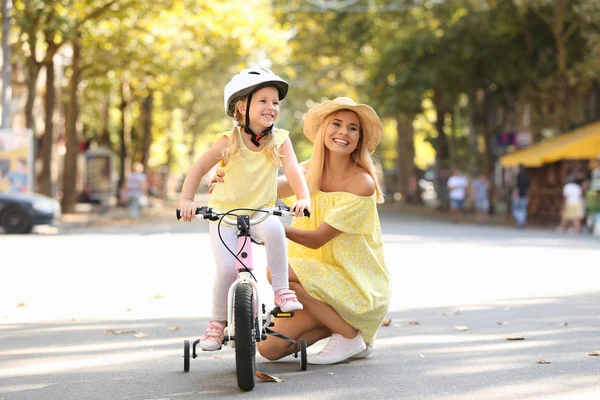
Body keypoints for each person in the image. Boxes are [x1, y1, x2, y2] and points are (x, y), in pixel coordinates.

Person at [210, 97, 391, 365]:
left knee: (279, 271)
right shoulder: (307, 174)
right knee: (269, 350)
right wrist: (224, 176)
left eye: (353, 128)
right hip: (319, 285)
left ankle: (349, 334)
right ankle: (352, 334)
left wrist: (273, 229)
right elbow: (259, 191)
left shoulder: (361, 182)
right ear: (323, 132)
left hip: (355, 284)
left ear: (360, 139)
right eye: (337, 124)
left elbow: (318, 239)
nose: (344, 132)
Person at [178, 67, 311, 352]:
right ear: (242, 106)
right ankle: (216, 323)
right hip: (225, 215)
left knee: (275, 228)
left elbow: (294, 172)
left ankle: (282, 291)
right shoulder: (229, 140)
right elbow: (199, 167)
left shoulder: (280, 139)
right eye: (263, 100)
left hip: (261, 210)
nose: (271, 107)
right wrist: (187, 200)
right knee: (226, 270)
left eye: (275, 102)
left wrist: (303, 198)